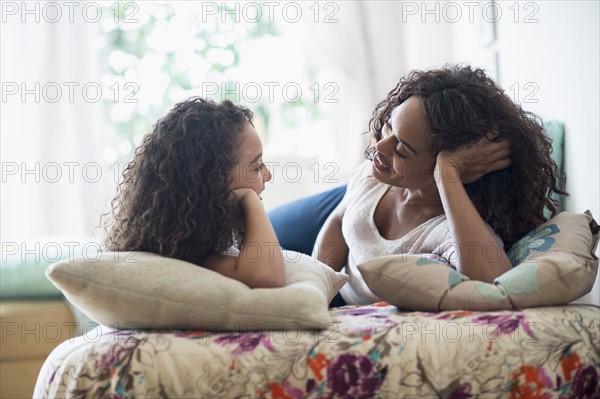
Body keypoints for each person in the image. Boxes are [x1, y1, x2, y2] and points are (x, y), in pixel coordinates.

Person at [315, 64, 567, 306]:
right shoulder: (374, 169)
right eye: (389, 127)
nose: (379, 147)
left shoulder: (446, 229)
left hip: (352, 295)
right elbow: (338, 220)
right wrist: (318, 289)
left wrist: (448, 174)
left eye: (402, 150)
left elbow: (494, 286)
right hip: (331, 235)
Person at [103, 97, 285, 288]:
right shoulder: (191, 257)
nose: (268, 175)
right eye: (256, 166)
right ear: (214, 180)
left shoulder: (209, 242)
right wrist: (250, 199)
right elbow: (267, 277)